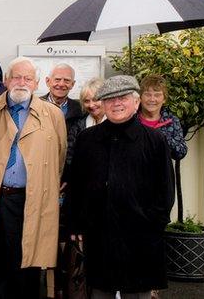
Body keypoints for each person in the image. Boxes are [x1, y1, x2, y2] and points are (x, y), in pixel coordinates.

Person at [66, 75, 175, 299]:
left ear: (136, 102)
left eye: (123, 97)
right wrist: (75, 223)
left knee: (137, 293)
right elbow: (76, 185)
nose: (116, 103)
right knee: (99, 291)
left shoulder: (154, 140)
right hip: (99, 234)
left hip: (139, 235)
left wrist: (153, 224)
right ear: (103, 104)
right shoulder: (87, 139)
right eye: (110, 99)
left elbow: (165, 191)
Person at [0, 57, 67, 299]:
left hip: (31, 201)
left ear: (36, 83)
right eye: (16, 76)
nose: (21, 82)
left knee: (27, 266)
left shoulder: (53, 115)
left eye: (28, 78)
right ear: (5, 80)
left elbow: (59, 156)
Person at [41, 63, 84, 173]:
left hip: (70, 170)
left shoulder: (81, 109)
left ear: (72, 84)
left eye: (67, 80)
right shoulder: (35, 106)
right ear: (47, 81)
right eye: (57, 79)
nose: (61, 84)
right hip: (40, 167)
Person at [138, 75, 188, 161]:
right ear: (140, 97)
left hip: (162, 172)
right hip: (133, 172)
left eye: (157, 95)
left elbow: (181, 152)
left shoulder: (172, 121)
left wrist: (161, 137)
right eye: (147, 94)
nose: (152, 99)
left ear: (164, 99)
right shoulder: (131, 120)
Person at [64, 77, 105, 168]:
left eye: (95, 99)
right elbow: (69, 156)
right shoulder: (78, 126)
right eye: (86, 101)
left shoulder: (116, 123)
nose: (91, 105)